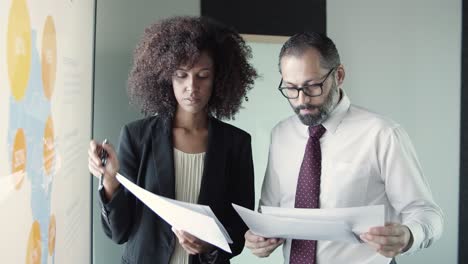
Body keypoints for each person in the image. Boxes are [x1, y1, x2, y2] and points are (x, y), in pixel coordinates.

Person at [244, 32, 444, 264]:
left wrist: (409, 236)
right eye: (291, 88)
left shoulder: (382, 133)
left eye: (312, 86)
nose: (301, 100)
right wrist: (259, 238)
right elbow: (268, 212)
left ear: (338, 75)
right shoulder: (281, 134)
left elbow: (427, 213)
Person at [88, 16, 257, 264]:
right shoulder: (137, 137)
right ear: (166, 77)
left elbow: (239, 233)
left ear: (218, 78)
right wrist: (110, 179)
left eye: (203, 75)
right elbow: (118, 232)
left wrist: (209, 245)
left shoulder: (236, 144)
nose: (192, 86)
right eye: (181, 75)